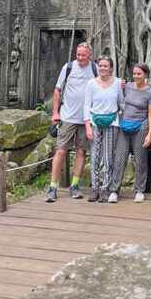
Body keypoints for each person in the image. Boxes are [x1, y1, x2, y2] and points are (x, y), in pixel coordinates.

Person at [47, 43, 97, 202]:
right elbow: (57, 89)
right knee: (61, 150)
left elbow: (103, 85)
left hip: (86, 118)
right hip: (67, 116)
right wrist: (55, 112)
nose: (80, 58)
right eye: (78, 55)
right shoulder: (68, 67)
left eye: (83, 55)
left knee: (82, 151)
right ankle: (53, 186)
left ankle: (75, 185)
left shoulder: (95, 69)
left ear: (90, 54)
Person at [83, 57, 123, 202]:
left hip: (112, 122)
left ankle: (105, 187)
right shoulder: (91, 84)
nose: (103, 68)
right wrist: (87, 125)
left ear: (111, 68)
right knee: (95, 155)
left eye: (106, 66)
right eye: (100, 66)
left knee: (108, 157)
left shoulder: (117, 82)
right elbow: (87, 105)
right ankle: (94, 188)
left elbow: (121, 103)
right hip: (95, 121)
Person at [116, 63, 151, 203]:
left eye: (139, 74)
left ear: (145, 75)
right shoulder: (126, 87)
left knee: (140, 159)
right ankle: (114, 190)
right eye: (134, 73)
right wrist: (118, 83)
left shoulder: (150, 93)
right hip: (124, 125)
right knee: (120, 158)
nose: (136, 76)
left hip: (141, 126)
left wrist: (150, 134)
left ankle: (140, 190)